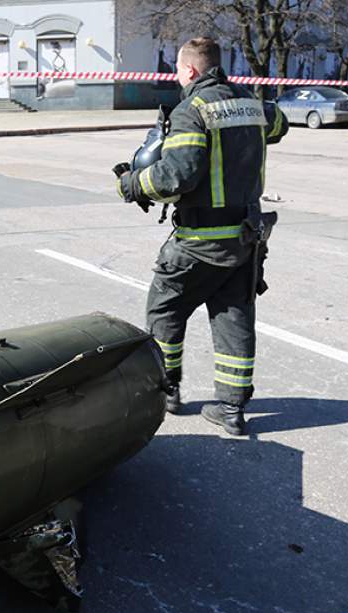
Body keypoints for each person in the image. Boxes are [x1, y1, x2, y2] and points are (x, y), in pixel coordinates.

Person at [115, 37, 289, 436]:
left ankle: (168, 391)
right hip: (245, 240)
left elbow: (176, 175)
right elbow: (279, 123)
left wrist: (132, 184)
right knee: (234, 319)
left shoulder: (191, 110)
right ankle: (231, 410)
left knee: (165, 311)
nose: (177, 78)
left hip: (199, 241)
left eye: (178, 71)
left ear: (191, 70)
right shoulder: (250, 104)